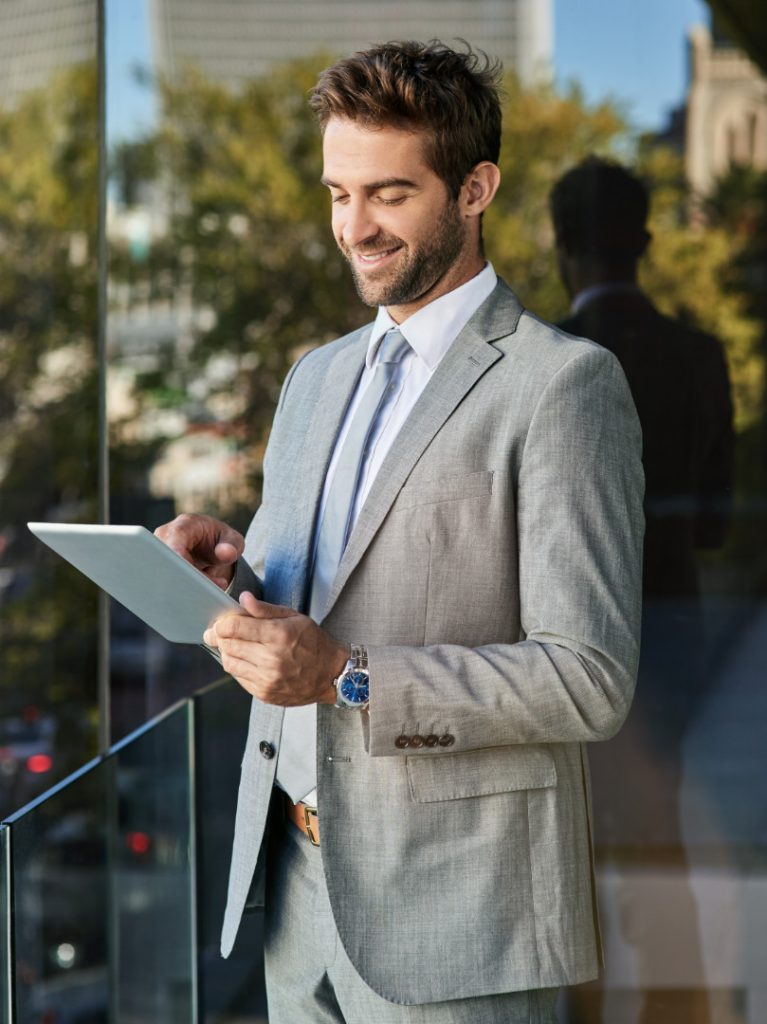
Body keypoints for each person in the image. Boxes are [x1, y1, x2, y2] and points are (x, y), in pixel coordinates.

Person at [157, 42, 644, 1024]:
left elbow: (587, 676)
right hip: (296, 897)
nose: (353, 229)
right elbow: (317, 600)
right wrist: (227, 574)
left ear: (475, 188)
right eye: (337, 194)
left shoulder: (560, 388)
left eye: (387, 194)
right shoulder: (314, 376)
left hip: (458, 917)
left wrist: (347, 675)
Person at [549, 157, 733, 1023]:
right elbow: (712, 528)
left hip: (567, 647)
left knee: (570, 853)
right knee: (661, 843)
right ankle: (679, 1007)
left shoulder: (542, 368)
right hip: (671, 647)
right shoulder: (700, 358)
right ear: (647, 243)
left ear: (560, 252)